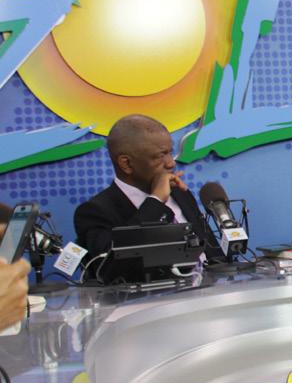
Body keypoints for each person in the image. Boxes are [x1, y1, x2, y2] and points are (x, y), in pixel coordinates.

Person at [74, 114, 223, 273]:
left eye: (170, 152)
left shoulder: (180, 194)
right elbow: (109, 270)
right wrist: (155, 201)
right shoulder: (96, 212)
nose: (171, 163)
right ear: (126, 164)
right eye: (160, 155)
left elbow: (212, 253)